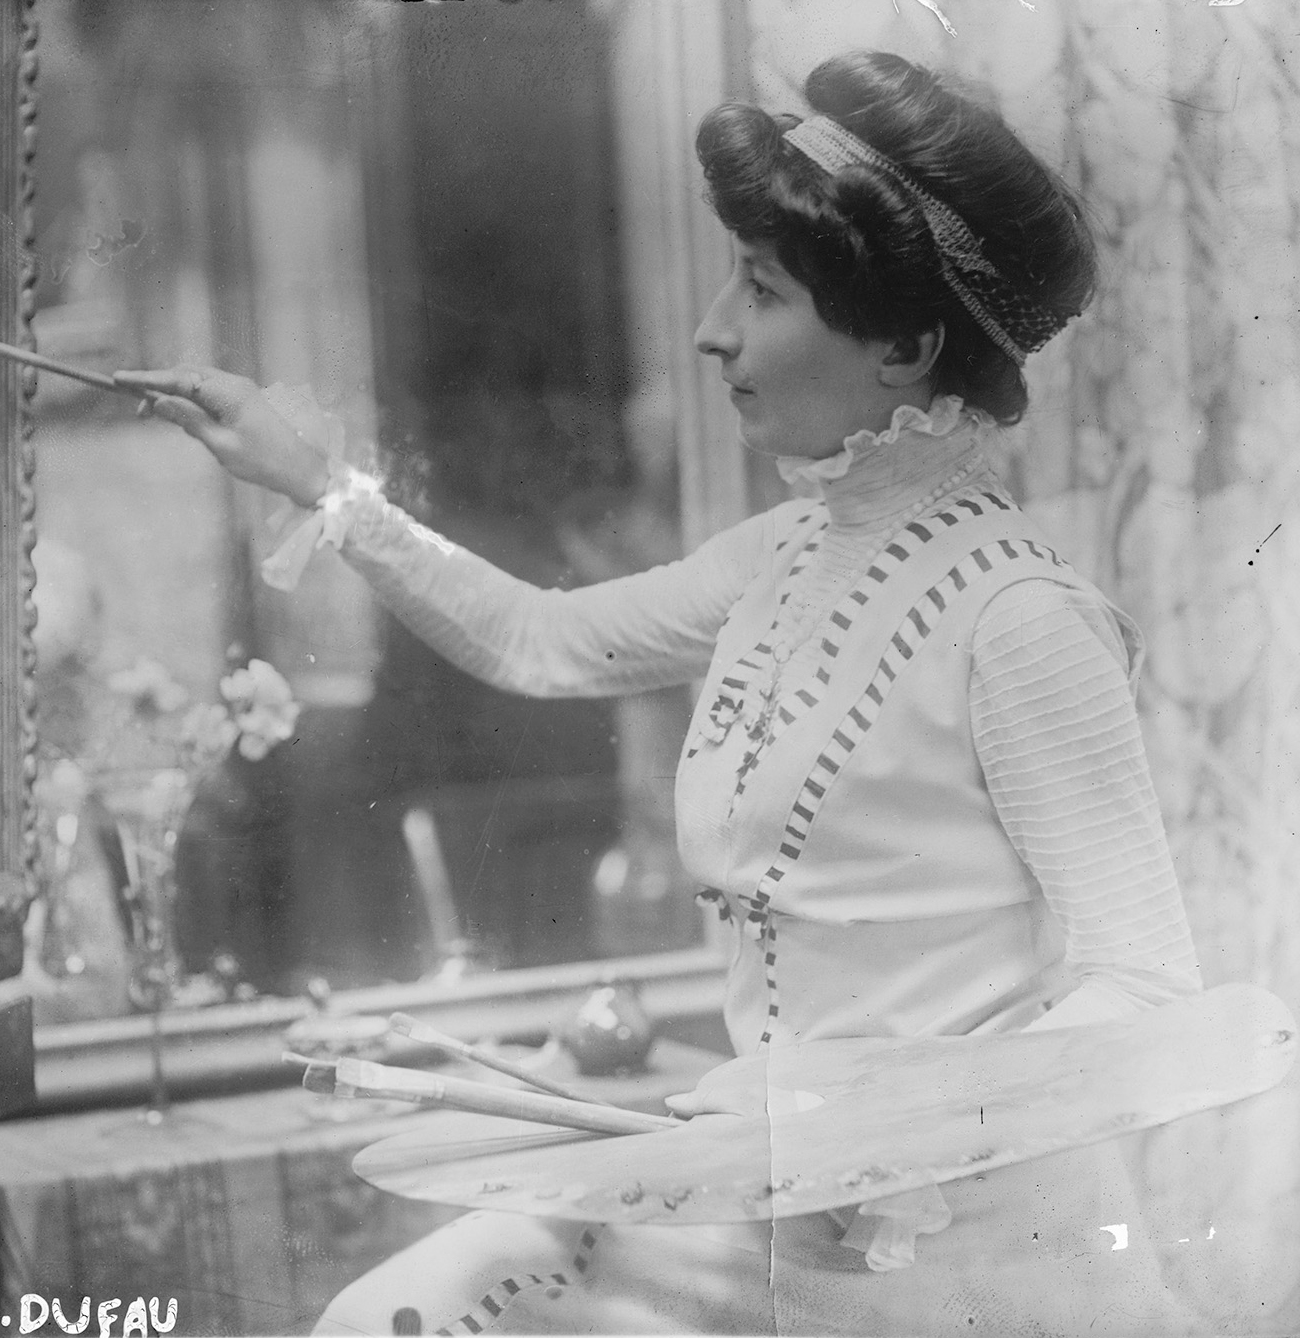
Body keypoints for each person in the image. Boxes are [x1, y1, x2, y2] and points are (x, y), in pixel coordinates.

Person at [117, 50, 1215, 1337]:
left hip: (962, 1257)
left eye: (760, 288)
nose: (710, 328)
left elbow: (1144, 983)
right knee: (394, 1314)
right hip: (767, 1204)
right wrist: (319, 487)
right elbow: (541, 641)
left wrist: (873, 1123)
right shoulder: (782, 558)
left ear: (909, 344)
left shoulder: (1018, 620)